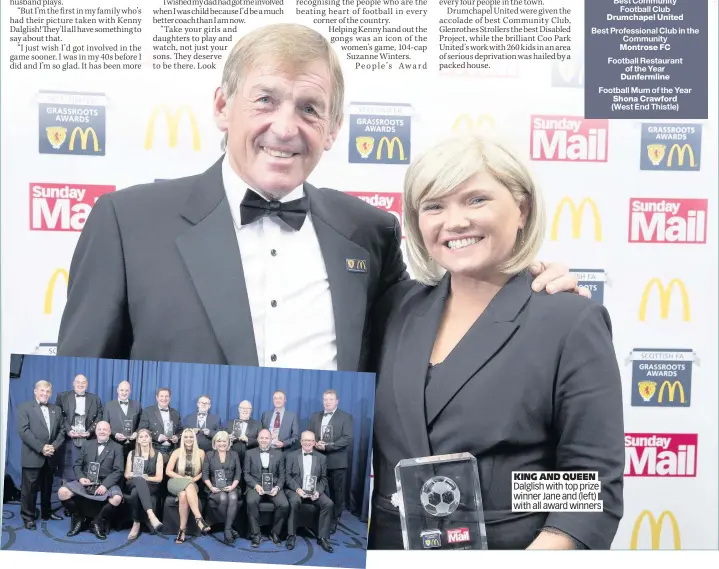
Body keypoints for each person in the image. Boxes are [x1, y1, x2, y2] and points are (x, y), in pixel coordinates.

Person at [55, 23, 582, 371]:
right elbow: (73, 388)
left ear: (331, 128)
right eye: (265, 100)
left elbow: (591, 484)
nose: (285, 128)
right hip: (170, 525)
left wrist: (527, 289)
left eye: (310, 108)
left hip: (332, 531)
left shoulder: (368, 232)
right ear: (222, 106)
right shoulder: (128, 222)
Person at [367, 133, 624, 550]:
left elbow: (589, 486)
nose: (454, 221)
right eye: (434, 206)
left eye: (475, 200)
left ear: (521, 210)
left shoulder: (568, 320)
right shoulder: (393, 309)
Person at [58, 421, 124, 540]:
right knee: (62, 492)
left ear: (110, 431)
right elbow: (77, 464)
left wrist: (104, 485)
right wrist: (81, 477)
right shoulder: (87, 444)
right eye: (99, 429)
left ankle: (97, 522)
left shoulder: (117, 448)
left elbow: (118, 471)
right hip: (86, 481)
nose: (102, 431)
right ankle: (78, 518)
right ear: (96, 431)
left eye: (105, 429)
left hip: (105, 482)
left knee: (117, 498)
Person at [16, 380, 65, 529]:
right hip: (33, 455)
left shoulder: (56, 409)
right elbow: (24, 432)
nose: (44, 394)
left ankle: (46, 512)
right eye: (42, 391)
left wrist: (53, 447)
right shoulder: (25, 408)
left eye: (47, 391)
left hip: (50, 456)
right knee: (29, 489)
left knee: (47, 487)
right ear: (35, 391)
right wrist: (41, 447)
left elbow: (62, 430)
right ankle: (28, 517)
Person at [308, 389, 353, 533]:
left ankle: (334, 520)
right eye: (325, 399)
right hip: (318, 461)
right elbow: (310, 434)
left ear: (337, 401)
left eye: (330, 399)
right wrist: (314, 443)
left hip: (336, 462)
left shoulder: (346, 417)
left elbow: (347, 438)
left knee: (336, 492)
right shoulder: (315, 416)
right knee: (318, 490)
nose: (327, 402)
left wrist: (328, 446)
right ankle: (318, 517)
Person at [284, 431, 334, 553]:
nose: (307, 442)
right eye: (305, 440)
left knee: (328, 503)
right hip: (296, 490)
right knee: (294, 501)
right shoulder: (291, 456)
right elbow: (287, 477)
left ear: (314, 442)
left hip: (314, 490)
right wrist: (298, 489)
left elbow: (323, 478)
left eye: (310, 440)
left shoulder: (322, 458)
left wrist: (317, 491)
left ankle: (322, 537)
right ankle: (291, 535)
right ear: (301, 442)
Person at [243, 429, 289, 547]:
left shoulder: (279, 454)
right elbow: (246, 474)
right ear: (258, 439)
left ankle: (275, 532)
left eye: (266, 438)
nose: (264, 440)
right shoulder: (249, 453)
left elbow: (282, 475)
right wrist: (256, 486)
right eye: (261, 438)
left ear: (271, 439)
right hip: (256, 485)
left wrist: (277, 487)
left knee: (284, 504)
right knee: (251, 501)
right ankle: (256, 534)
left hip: (273, 486)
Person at [55, 374, 103, 483]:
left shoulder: (95, 398)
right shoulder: (62, 396)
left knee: (86, 468)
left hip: (88, 439)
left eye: (83, 382)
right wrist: (68, 430)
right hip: (69, 438)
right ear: (73, 383)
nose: (81, 385)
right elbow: (58, 415)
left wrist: (90, 431)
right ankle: (66, 493)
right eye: (78, 382)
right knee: (68, 471)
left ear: (87, 384)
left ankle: (85, 493)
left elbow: (99, 416)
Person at [165, 428, 210, 543]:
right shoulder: (177, 452)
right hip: (175, 482)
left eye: (191, 437)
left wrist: (193, 479)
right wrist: (184, 479)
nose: (188, 439)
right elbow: (168, 471)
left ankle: (182, 530)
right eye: (186, 437)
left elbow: (204, 471)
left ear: (194, 439)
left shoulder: (200, 453)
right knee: (188, 485)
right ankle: (199, 518)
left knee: (184, 495)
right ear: (182, 439)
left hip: (192, 483)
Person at [202, 431, 242, 545]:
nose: (222, 443)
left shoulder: (234, 454)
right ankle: (229, 529)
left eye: (224, 441)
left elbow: (238, 473)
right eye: (219, 441)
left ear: (228, 442)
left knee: (233, 497)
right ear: (215, 442)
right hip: (215, 487)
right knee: (223, 498)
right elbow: (205, 474)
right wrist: (211, 487)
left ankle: (227, 530)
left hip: (231, 485)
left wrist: (233, 486)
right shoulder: (209, 454)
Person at [124, 428, 164, 540]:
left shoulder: (158, 455)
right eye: (141, 437)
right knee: (139, 479)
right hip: (133, 482)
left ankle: (136, 523)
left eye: (146, 436)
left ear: (150, 439)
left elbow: (159, 478)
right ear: (137, 440)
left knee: (136, 492)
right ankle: (151, 515)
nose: (144, 439)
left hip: (151, 484)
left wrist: (147, 477)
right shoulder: (132, 453)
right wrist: (138, 475)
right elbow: (127, 474)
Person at [138, 387, 182, 462]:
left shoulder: (175, 413)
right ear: (157, 397)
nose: (164, 399)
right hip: (154, 449)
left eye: (166, 396)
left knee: (169, 473)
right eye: (161, 396)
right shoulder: (148, 411)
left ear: (170, 398)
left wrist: (176, 437)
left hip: (172, 451)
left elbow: (180, 430)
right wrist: (157, 437)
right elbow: (142, 430)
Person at [103, 380, 142, 460]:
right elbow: (105, 424)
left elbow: (142, 423)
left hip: (132, 446)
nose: (124, 393)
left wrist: (136, 433)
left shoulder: (137, 405)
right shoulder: (108, 405)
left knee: (130, 470)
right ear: (117, 390)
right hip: (114, 444)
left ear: (130, 391)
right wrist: (115, 434)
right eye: (122, 390)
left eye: (126, 390)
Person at [226, 400, 261, 468]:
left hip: (251, 459)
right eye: (243, 408)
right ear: (239, 409)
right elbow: (222, 440)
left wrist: (248, 440)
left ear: (251, 410)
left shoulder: (257, 424)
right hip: (232, 458)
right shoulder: (229, 423)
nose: (245, 410)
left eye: (248, 408)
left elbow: (261, 441)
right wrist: (228, 439)